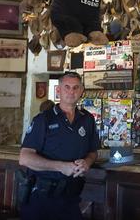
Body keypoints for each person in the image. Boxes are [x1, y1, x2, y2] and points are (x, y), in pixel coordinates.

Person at [19, 72, 99, 220]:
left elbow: (93, 151)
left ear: (81, 91)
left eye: (76, 87)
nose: (71, 91)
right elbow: (25, 158)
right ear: (58, 90)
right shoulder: (44, 119)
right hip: (42, 199)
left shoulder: (87, 119)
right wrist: (60, 166)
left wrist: (87, 162)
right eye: (67, 87)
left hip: (71, 198)